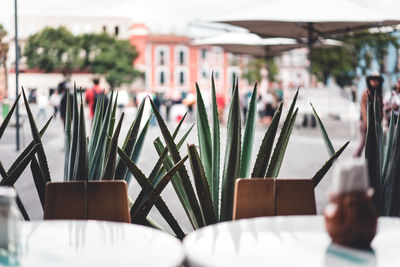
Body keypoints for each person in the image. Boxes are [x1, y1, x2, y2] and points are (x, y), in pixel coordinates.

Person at [354, 72, 384, 157]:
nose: (374, 81)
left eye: (376, 79)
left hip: (374, 123)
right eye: (372, 79)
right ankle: (355, 159)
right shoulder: (366, 92)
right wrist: (366, 122)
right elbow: (363, 107)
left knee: (372, 145)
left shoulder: (378, 93)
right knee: (362, 143)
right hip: (365, 122)